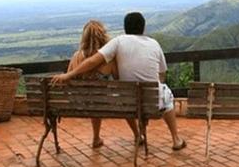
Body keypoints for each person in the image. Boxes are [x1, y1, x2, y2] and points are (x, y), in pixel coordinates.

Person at [51, 12, 186, 151]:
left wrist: (69, 75)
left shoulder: (117, 41)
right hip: (150, 101)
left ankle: (127, 135)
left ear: (125, 27)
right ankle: (175, 139)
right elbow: (162, 73)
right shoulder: (154, 44)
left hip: (122, 102)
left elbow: (93, 61)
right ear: (143, 28)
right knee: (167, 96)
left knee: (124, 96)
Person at [67, 20, 119, 148]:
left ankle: (96, 137)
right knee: (98, 99)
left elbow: (67, 79)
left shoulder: (76, 57)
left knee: (93, 99)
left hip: (80, 104)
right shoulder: (109, 60)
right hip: (104, 105)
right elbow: (119, 79)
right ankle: (136, 135)